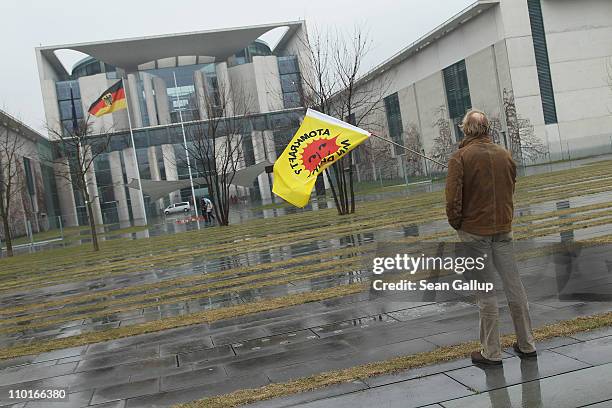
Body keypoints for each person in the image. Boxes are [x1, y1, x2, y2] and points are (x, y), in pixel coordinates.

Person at [445, 109, 536, 366]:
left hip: (475, 233)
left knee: (486, 292)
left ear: (465, 129)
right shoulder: (504, 154)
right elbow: (510, 186)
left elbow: (453, 200)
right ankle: (527, 344)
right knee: (514, 286)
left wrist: (457, 223)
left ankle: (491, 352)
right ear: (487, 128)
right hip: (503, 230)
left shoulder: (460, 158)